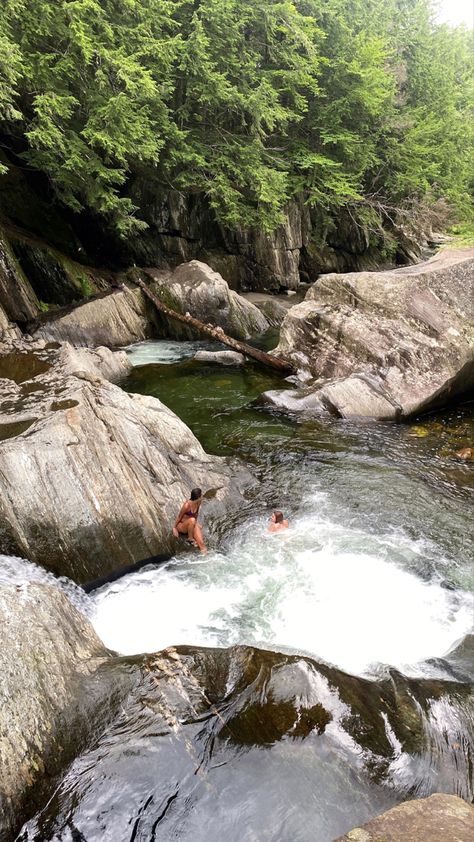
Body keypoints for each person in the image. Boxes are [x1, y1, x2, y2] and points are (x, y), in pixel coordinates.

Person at [172, 487, 207, 553]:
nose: (202, 495)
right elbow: (179, 517)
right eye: (201, 494)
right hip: (182, 525)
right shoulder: (187, 505)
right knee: (192, 520)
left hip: (192, 524)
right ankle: (190, 538)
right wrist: (174, 528)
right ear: (198, 497)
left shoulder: (198, 503)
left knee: (201, 543)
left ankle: (205, 559)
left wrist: (196, 524)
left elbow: (196, 514)